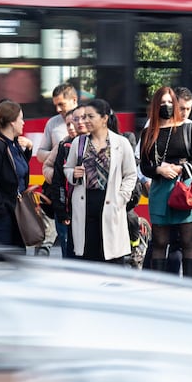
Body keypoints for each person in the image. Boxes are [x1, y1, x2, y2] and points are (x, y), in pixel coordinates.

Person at [140, 87, 192, 278]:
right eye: (163, 103)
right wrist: (159, 169)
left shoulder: (187, 129)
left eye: (170, 103)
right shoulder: (147, 133)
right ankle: (160, 286)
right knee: (160, 242)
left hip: (184, 189)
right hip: (160, 190)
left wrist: (180, 169)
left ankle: (187, 287)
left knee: (187, 241)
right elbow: (145, 166)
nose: (167, 106)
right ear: (156, 105)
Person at [65, 100, 138, 264]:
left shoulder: (121, 143)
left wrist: (121, 198)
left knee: (112, 258)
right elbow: (68, 168)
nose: (85, 121)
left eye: (90, 117)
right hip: (85, 206)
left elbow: (131, 174)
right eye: (84, 117)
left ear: (104, 118)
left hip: (111, 204)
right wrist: (73, 174)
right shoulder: (79, 142)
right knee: (87, 259)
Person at [0, 100, 34, 253]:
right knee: (3, 259)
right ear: (11, 122)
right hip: (1, 215)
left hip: (16, 212)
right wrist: (0, 210)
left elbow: (16, 170)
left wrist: (28, 150)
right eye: (21, 118)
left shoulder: (15, 144)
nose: (23, 122)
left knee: (18, 255)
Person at [41, 106, 85, 258]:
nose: (72, 127)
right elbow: (48, 167)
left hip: (85, 209)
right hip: (66, 206)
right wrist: (64, 175)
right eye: (68, 124)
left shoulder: (93, 144)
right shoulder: (63, 145)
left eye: (74, 122)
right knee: (69, 252)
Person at [39, 83, 80, 156]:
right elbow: (40, 153)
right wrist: (58, 155)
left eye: (61, 104)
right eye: (56, 105)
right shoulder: (52, 122)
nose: (58, 109)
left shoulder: (89, 119)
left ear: (74, 100)